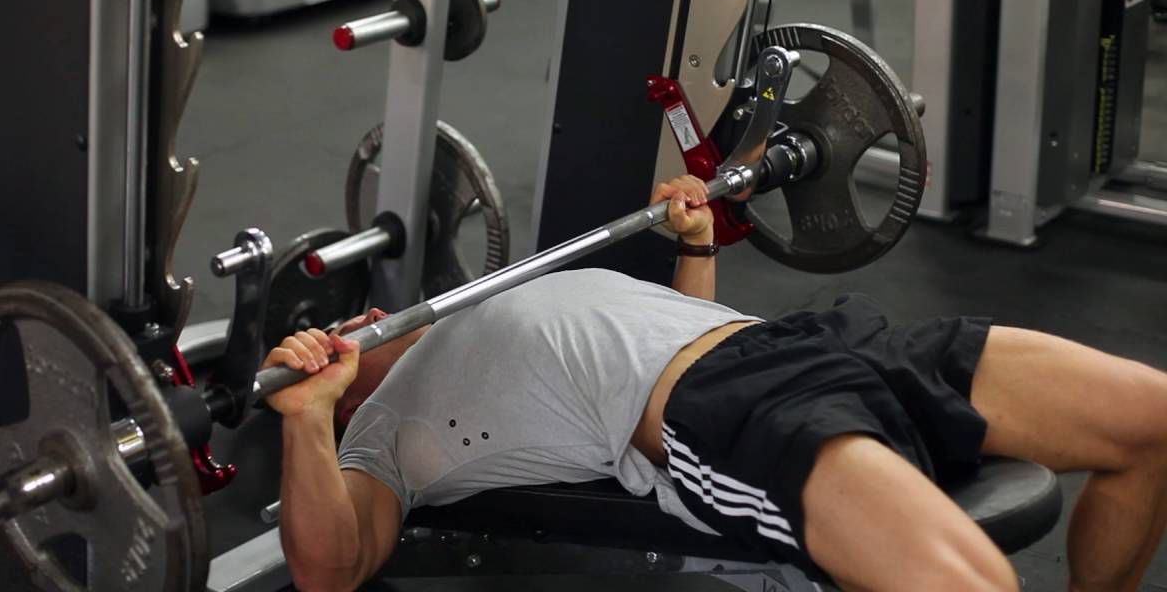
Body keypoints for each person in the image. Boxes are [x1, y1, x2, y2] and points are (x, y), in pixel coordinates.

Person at [261, 175, 1167, 592]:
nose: (365, 321)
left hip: (819, 341)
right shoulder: (385, 434)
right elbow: (330, 568)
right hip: (741, 410)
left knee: (1152, 419)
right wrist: (308, 418)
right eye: (336, 335)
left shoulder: (472, 312)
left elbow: (662, 329)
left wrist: (695, 248)